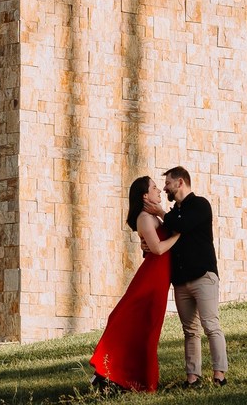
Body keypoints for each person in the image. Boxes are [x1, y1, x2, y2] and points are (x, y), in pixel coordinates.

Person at [88, 176, 180, 392]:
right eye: (155, 188)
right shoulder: (144, 218)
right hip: (152, 279)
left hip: (159, 277)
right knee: (143, 328)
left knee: (148, 329)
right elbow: (157, 249)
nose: (159, 190)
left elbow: (157, 241)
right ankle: (121, 378)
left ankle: (130, 379)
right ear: (145, 195)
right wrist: (178, 235)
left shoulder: (150, 216)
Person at [161, 165, 228, 387]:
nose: (164, 188)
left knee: (211, 325)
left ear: (180, 182)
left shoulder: (200, 205)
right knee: (190, 330)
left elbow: (182, 225)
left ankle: (219, 375)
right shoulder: (173, 213)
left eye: (168, 183)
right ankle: (193, 378)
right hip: (181, 282)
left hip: (203, 276)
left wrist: (160, 213)